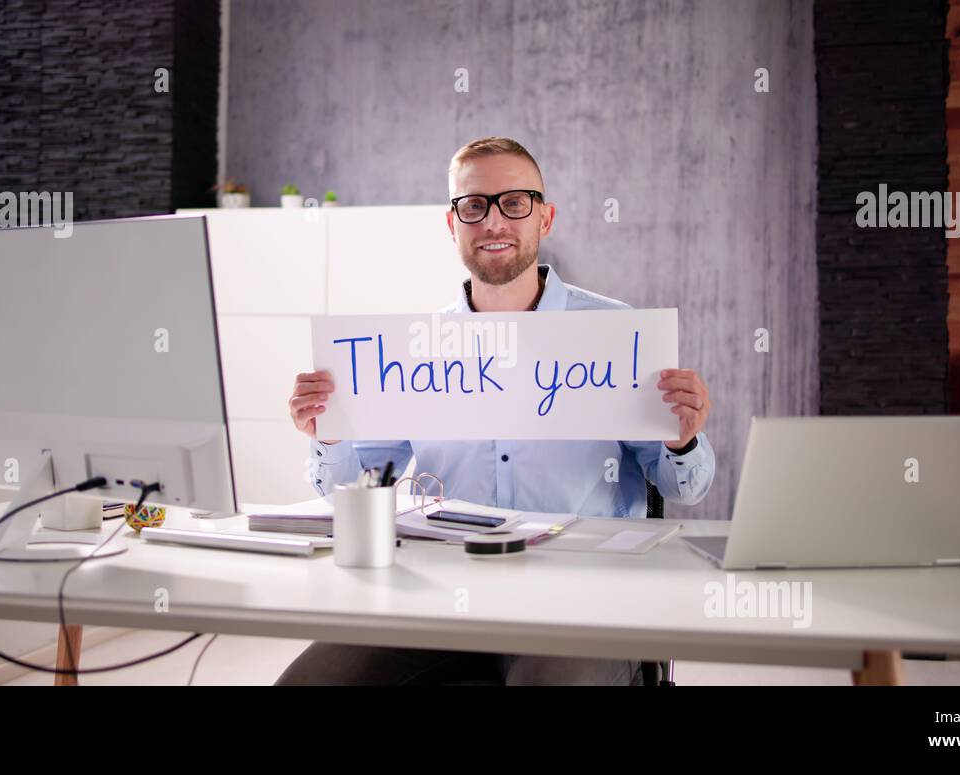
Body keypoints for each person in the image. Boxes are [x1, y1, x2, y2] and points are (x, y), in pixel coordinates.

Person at [276, 137, 715, 685]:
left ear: (545, 217)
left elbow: (686, 487)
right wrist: (329, 435)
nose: (493, 221)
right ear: (452, 223)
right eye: (474, 205)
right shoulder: (415, 349)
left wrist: (684, 439)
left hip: (585, 597)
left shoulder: (614, 331)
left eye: (515, 202)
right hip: (445, 595)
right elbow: (357, 485)